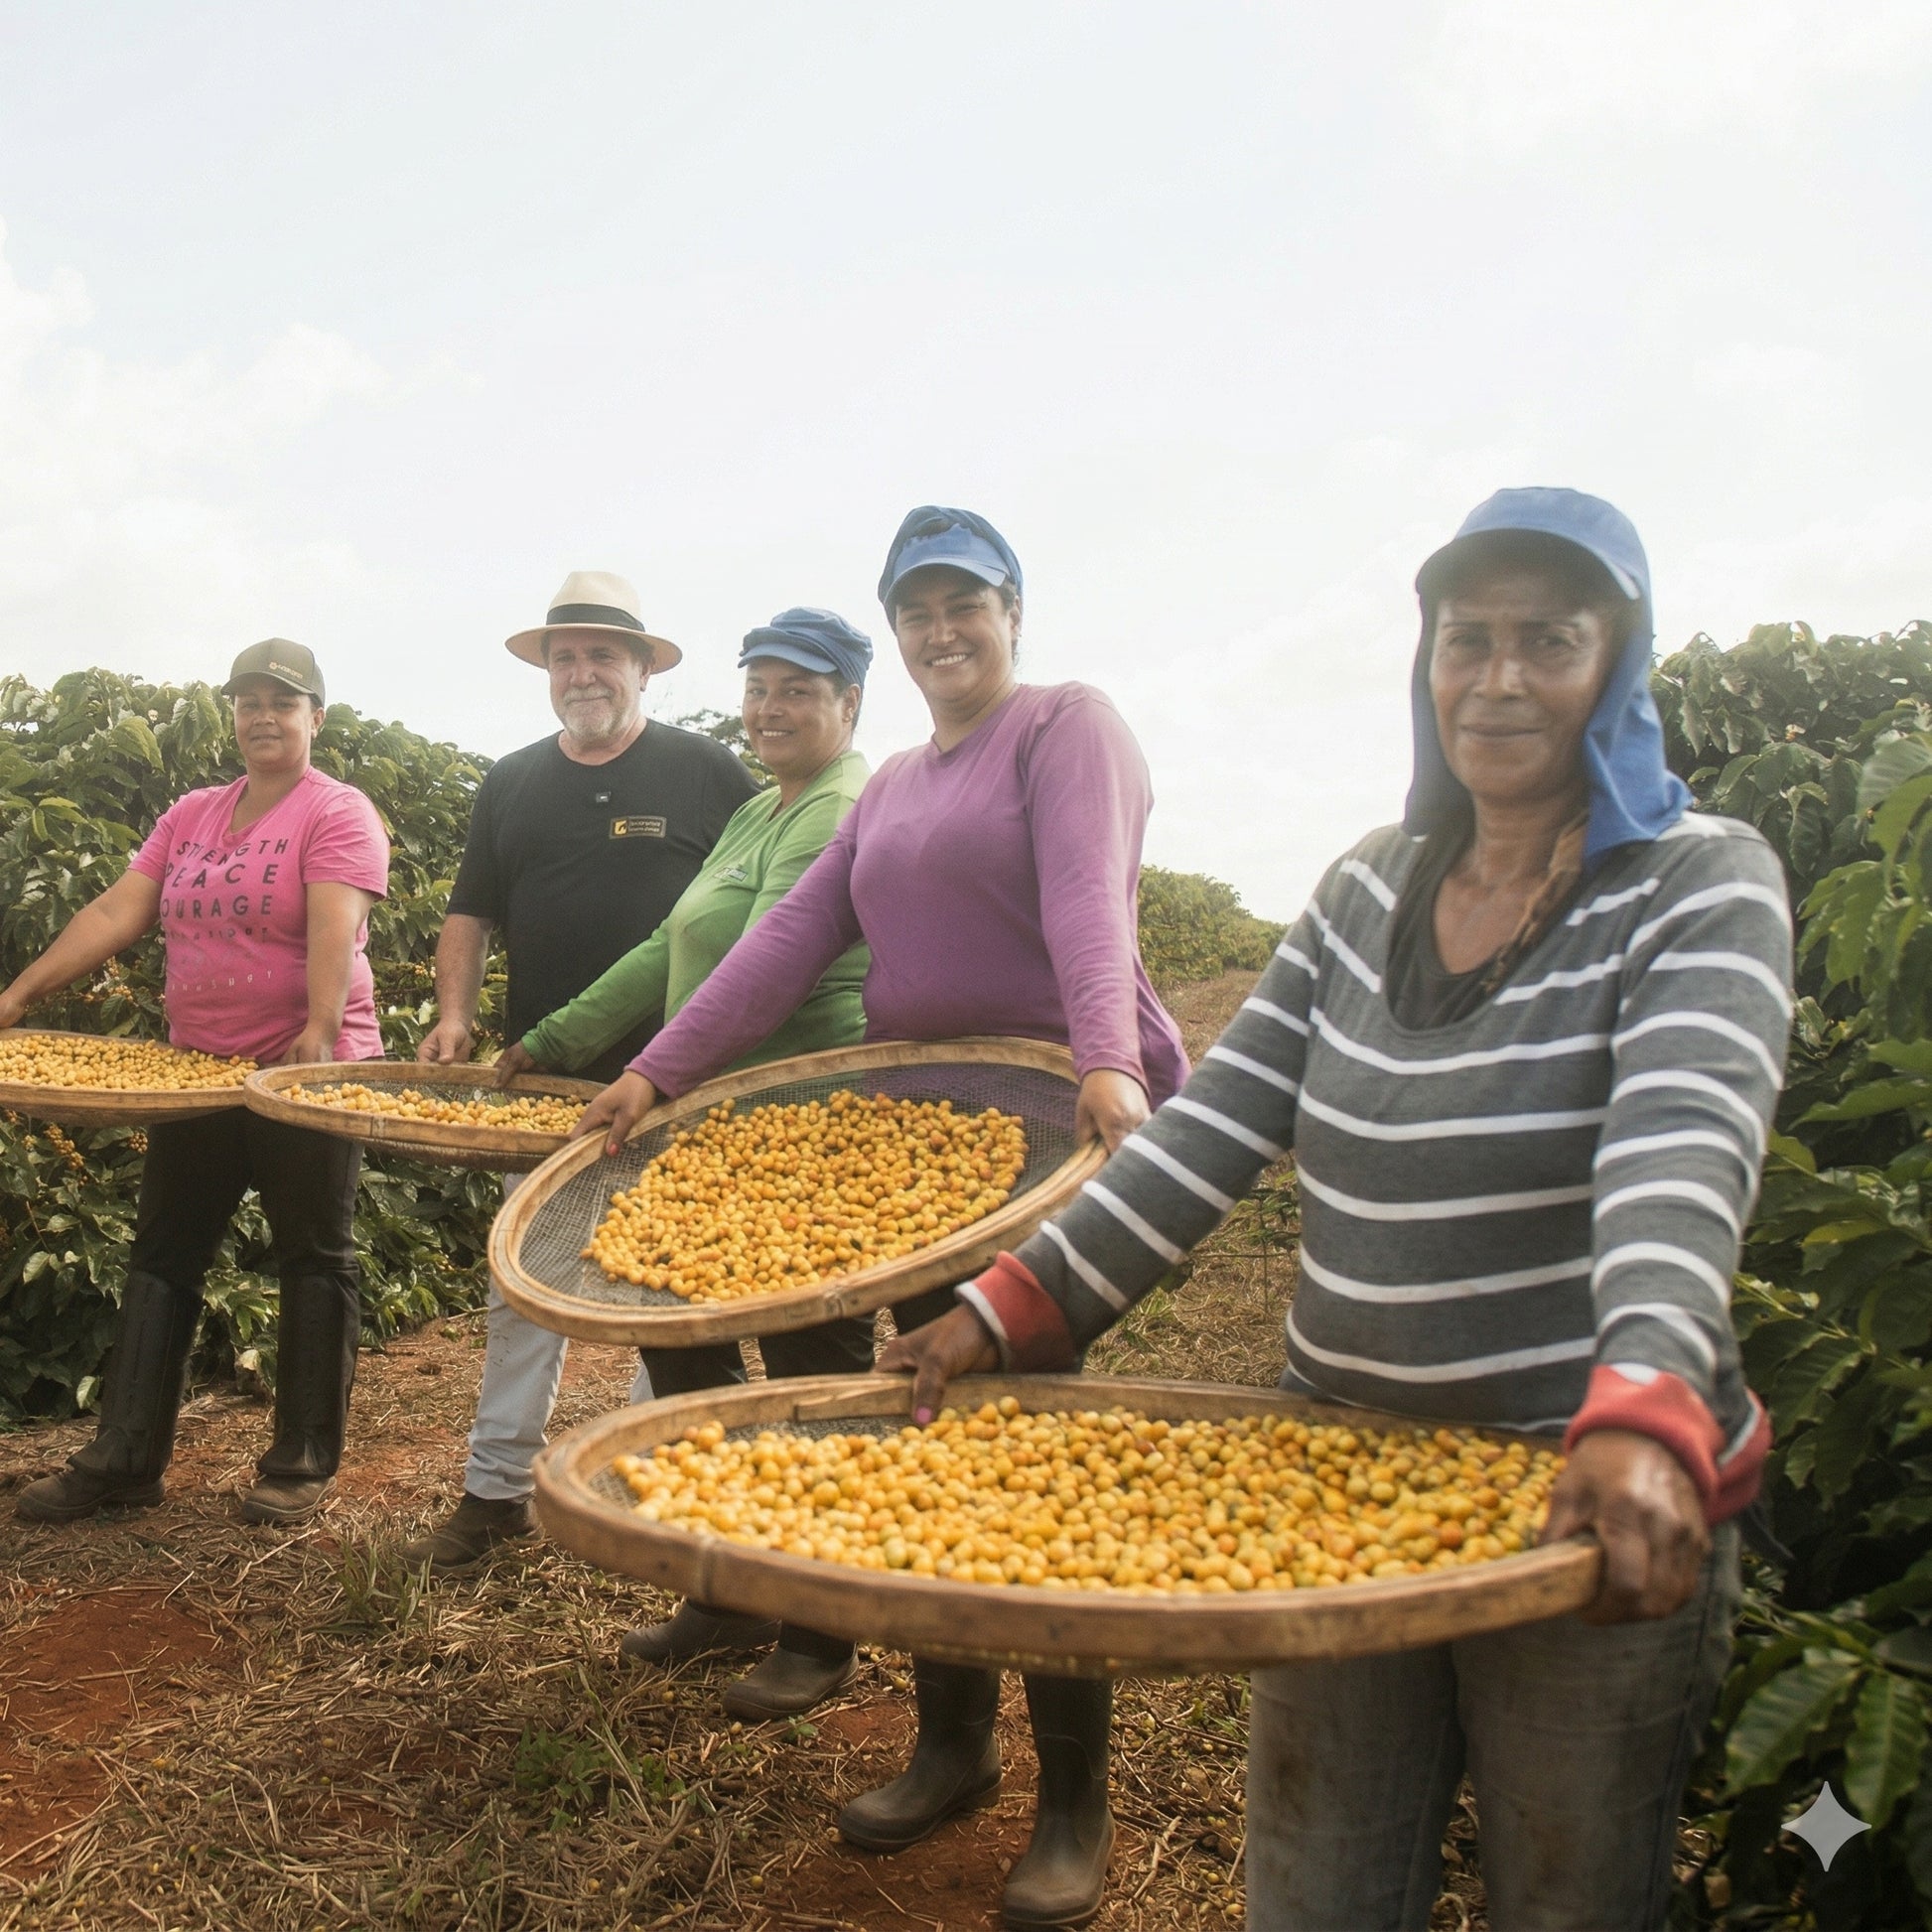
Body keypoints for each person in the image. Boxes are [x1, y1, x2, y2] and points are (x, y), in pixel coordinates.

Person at [886, 489, 1793, 1932]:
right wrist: (1013, 1302)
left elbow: (1675, 1155)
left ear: (1615, 665)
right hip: (1342, 1477)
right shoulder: (1366, 885)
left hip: (1575, 1489)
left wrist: (1640, 1405)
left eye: (1548, 641)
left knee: (1565, 1894)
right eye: (1466, 639)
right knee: (1317, 1885)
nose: (1497, 678)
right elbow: (1214, 1126)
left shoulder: (1697, 881)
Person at [576, 506, 1189, 1932]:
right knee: (920, 1425)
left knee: (1025, 1453)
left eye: (964, 602)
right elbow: (788, 939)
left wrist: (1106, 1057)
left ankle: (1074, 1802)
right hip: (922, 1150)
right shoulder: (896, 784)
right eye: (916, 609)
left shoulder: (1066, 727)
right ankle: (952, 1742)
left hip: (1048, 1137)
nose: (940, 629)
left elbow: (1085, 902)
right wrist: (656, 1069)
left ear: (1012, 609)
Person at [493, 607, 876, 1717]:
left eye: (798, 690)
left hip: (805, 1128)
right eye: (758, 688)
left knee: (807, 1368)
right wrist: (553, 1038)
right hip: (716, 1123)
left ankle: (820, 1625)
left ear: (849, 704)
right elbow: (671, 942)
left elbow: (768, 961)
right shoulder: (761, 808)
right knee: (690, 1351)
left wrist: (649, 1073)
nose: (770, 709)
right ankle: (726, 1588)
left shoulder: (842, 806)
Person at [401, 571, 760, 1570]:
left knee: (671, 1292)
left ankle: (648, 1486)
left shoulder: (706, 772)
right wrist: (455, 1015)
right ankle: (494, 1492)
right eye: (564, 657)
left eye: (603, 654)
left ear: (643, 666)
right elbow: (470, 912)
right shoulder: (512, 780)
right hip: (543, 1084)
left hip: (680, 1082)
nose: (582, 672)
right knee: (523, 1284)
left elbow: (770, 904)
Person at [8, 640, 391, 1527]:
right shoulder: (192, 814)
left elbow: (335, 925)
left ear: (315, 718)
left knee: (313, 1253)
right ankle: (125, 1458)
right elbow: (119, 908)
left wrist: (319, 1035)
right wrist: (20, 994)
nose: (263, 716)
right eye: (248, 702)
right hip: (198, 1070)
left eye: (282, 703)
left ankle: (300, 1460)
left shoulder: (336, 810)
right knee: (164, 1253)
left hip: (306, 1070)